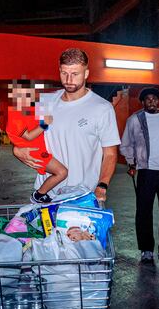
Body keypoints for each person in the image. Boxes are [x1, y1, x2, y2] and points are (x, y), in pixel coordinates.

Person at [12, 48, 121, 202]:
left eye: (75, 74)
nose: (69, 79)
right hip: (46, 192)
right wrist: (16, 149)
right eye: (64, 73)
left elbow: (110, 153)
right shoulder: (46, 101)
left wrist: (102, 186)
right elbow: (21, 129)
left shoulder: (102, 108)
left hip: (82, 193)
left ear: (86, 73)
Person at [120, 87, 159, 263]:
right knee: (144, 211)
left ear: (158, 100)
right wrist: (131, 162)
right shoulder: (135, 120)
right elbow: (126, 144)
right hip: (146, 171)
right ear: (142, 102)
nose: (152, 102)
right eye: (148, 99)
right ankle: (146, 249)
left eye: (154, 98)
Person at [6, 79, 67, 203]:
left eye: (28, 94)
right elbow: (28, 136)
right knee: (62, 172)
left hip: (40, 148)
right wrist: (44, 124)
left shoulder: (28, 109)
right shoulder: (16, 114)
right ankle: (39, 194)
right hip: (36, 152)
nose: (26, 97)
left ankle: (41, 194)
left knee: (61, 172)